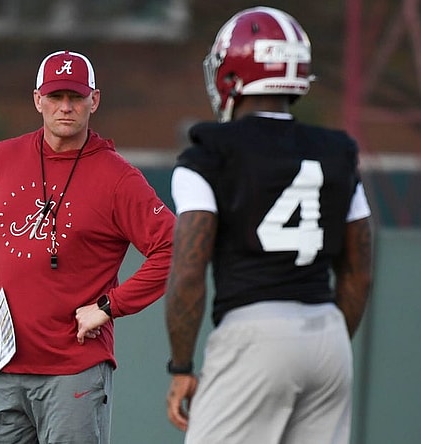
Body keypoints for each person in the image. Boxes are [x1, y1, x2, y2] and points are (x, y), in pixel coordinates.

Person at [163, 7, 374, 444]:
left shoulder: (210, 153)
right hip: (328, 336)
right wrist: (324, 340)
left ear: (232, 74)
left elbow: (187, 272)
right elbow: (358, 270)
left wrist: (181, 366)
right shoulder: (336, 152)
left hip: (254, 333)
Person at [0, 50, 175, 444]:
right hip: (3, 366)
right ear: (38, 100)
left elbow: (173, 249)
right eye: (55, 97)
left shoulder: (118, 177)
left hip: (75, 371)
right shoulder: (2, 158)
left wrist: (109, 307)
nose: (65, 107)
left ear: (94, 100)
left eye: (76, 97)